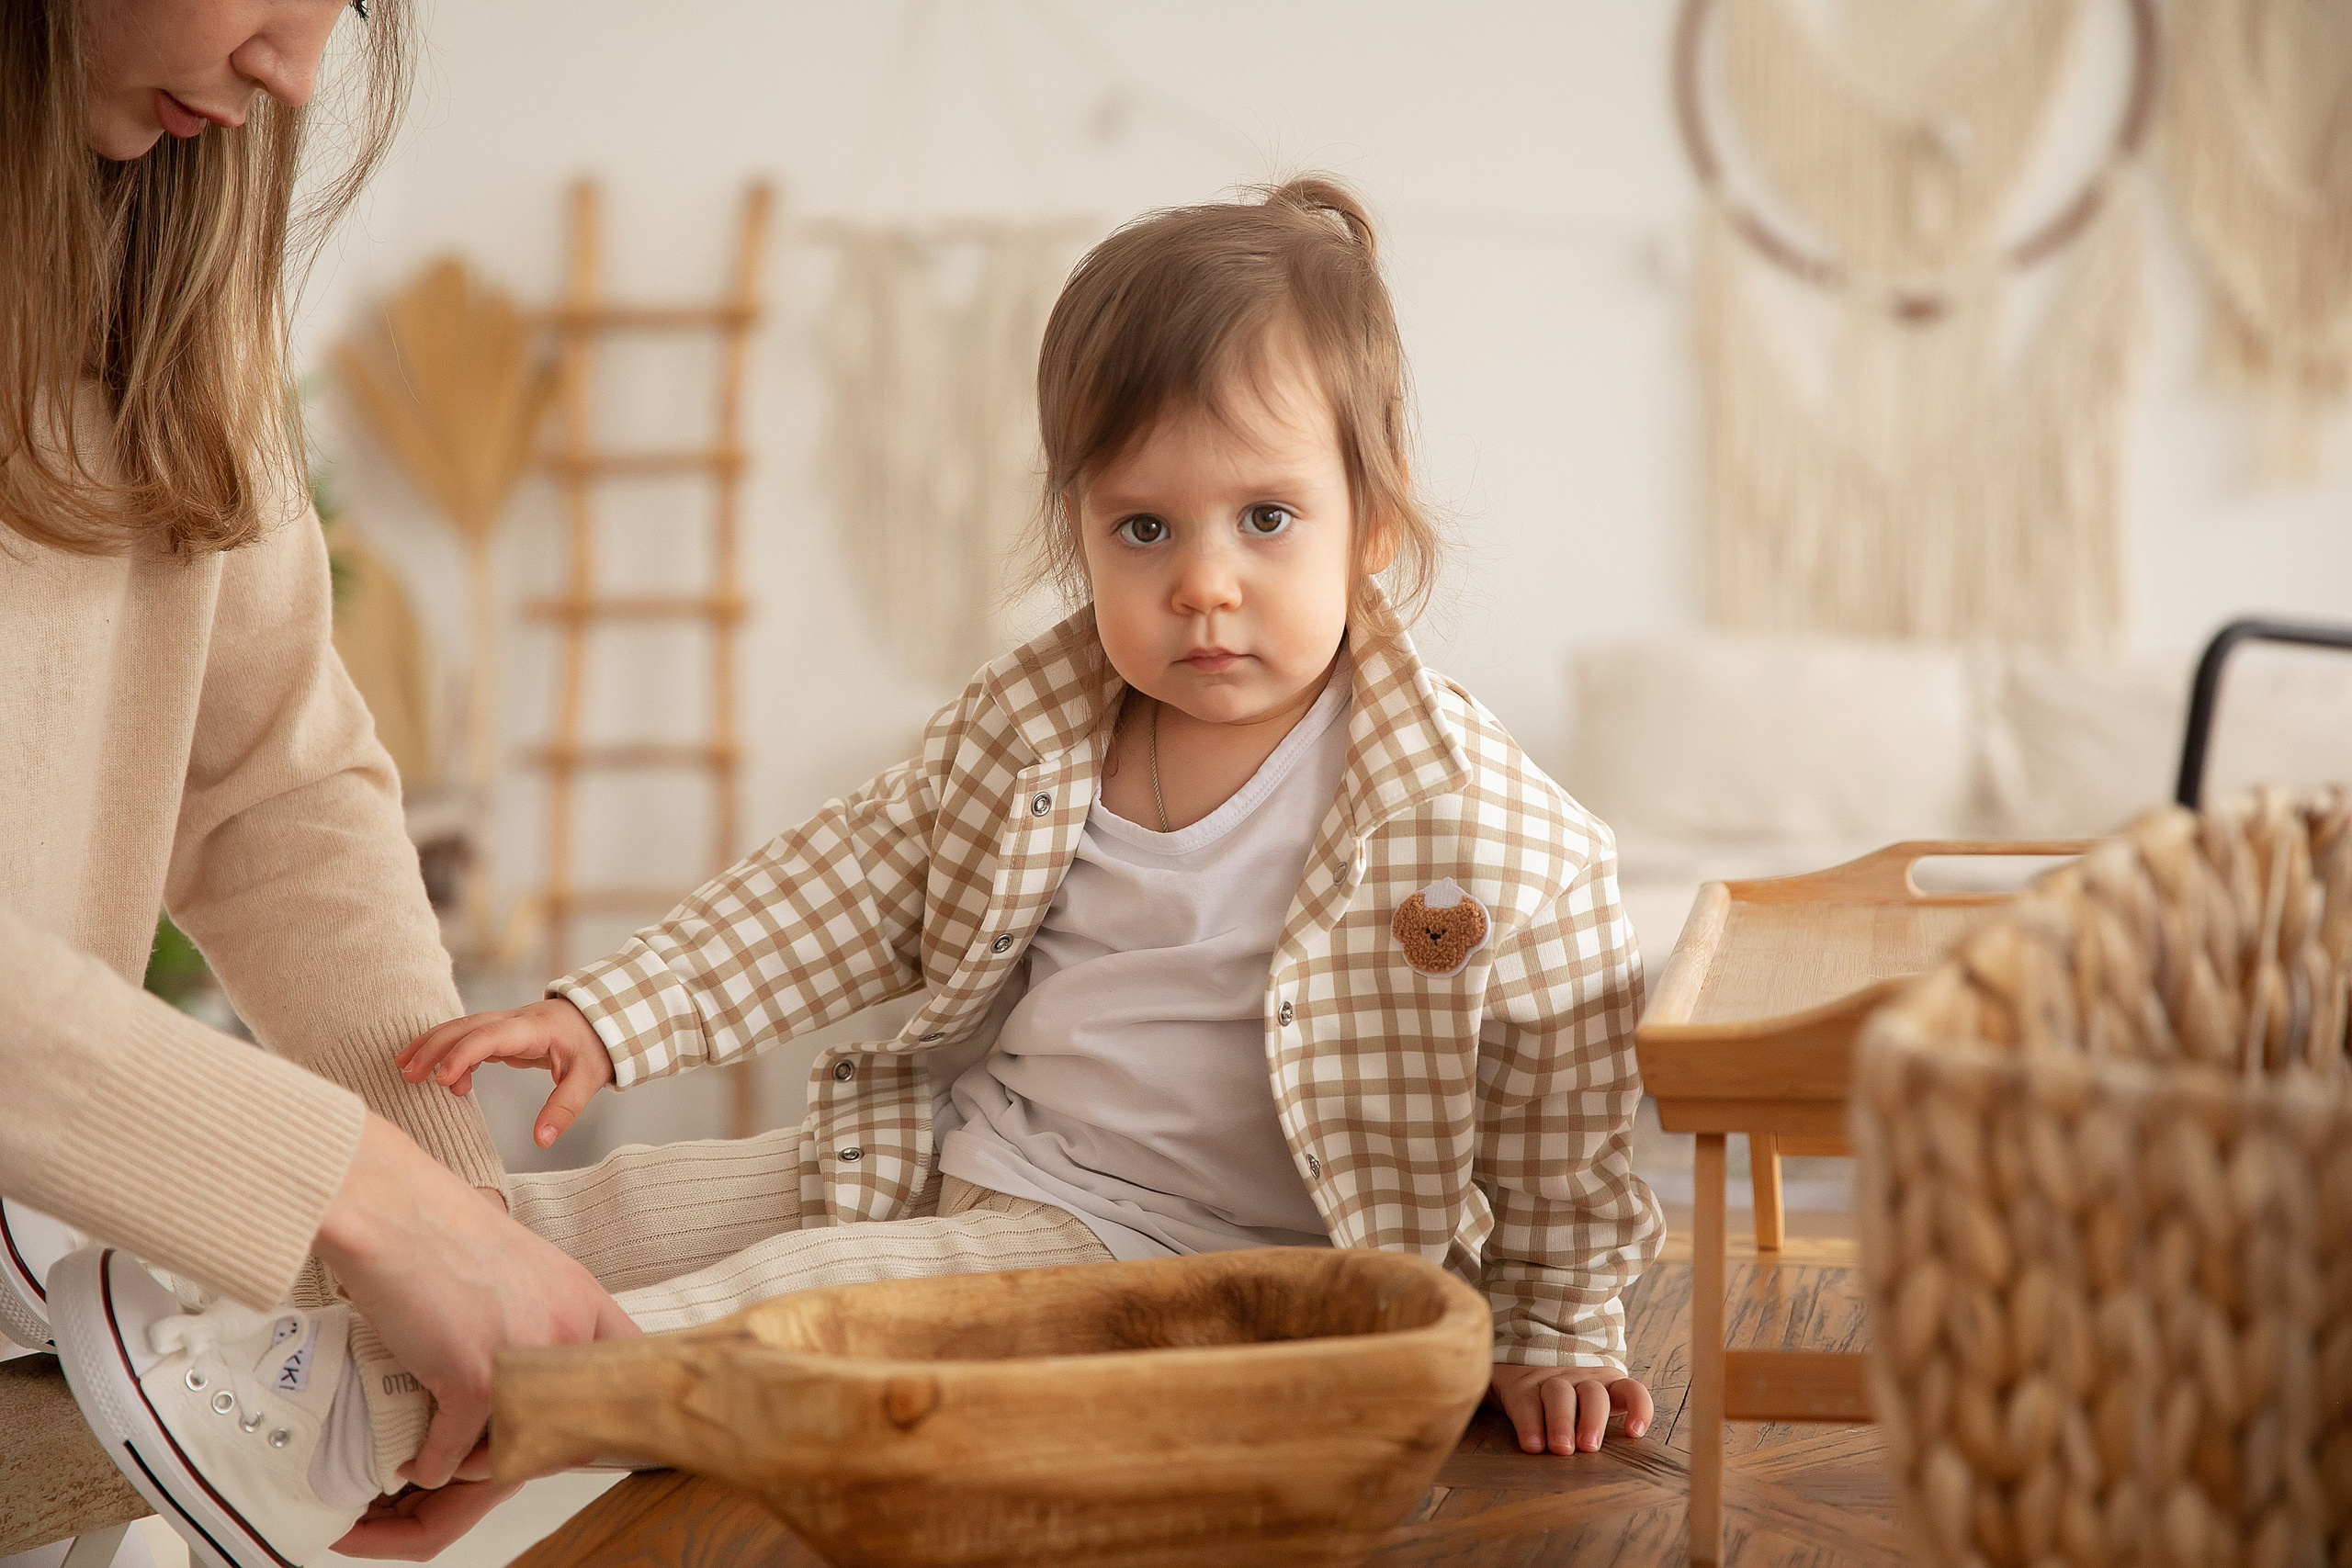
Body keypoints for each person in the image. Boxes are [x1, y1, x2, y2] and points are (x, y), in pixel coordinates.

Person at [405, 176, 1662, 1453]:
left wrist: (1555, 1326)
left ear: (1373, 526)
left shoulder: (1483, 828)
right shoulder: (1041, 729)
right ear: (1081, 528)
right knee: (568, 1218)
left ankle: (343, 1416)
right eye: (1144, 528)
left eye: (1267, 519)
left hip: (1153, 1273)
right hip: (951, 1147)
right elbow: (846, 884)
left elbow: (1558, 1110)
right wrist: (612, 1016)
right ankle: (291, 1337)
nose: (1203, 585)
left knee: (749, 1317)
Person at [2, 1, 635, 1562]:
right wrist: (352, 1196)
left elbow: (272, 786)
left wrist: (448, 1213)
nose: (296, 66)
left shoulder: (165, 265)